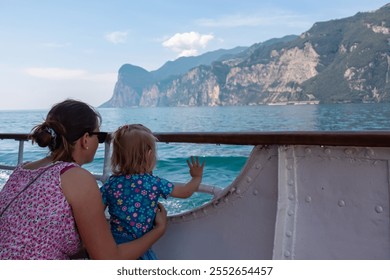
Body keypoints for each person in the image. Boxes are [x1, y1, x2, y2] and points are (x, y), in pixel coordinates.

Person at [0, 99, 167, 260]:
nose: (101, 142)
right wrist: (159, 230)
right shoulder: (76, 177)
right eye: (99, 136)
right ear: (85, 139)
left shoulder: (22, 170)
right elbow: (108, 258)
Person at [100, 124, 205, 259]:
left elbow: (96, 208)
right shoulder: (153, 183)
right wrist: (196, 177)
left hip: (116, 245)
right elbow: (185, 192)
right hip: (142, 247)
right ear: (149, 155)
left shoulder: (111, 184)